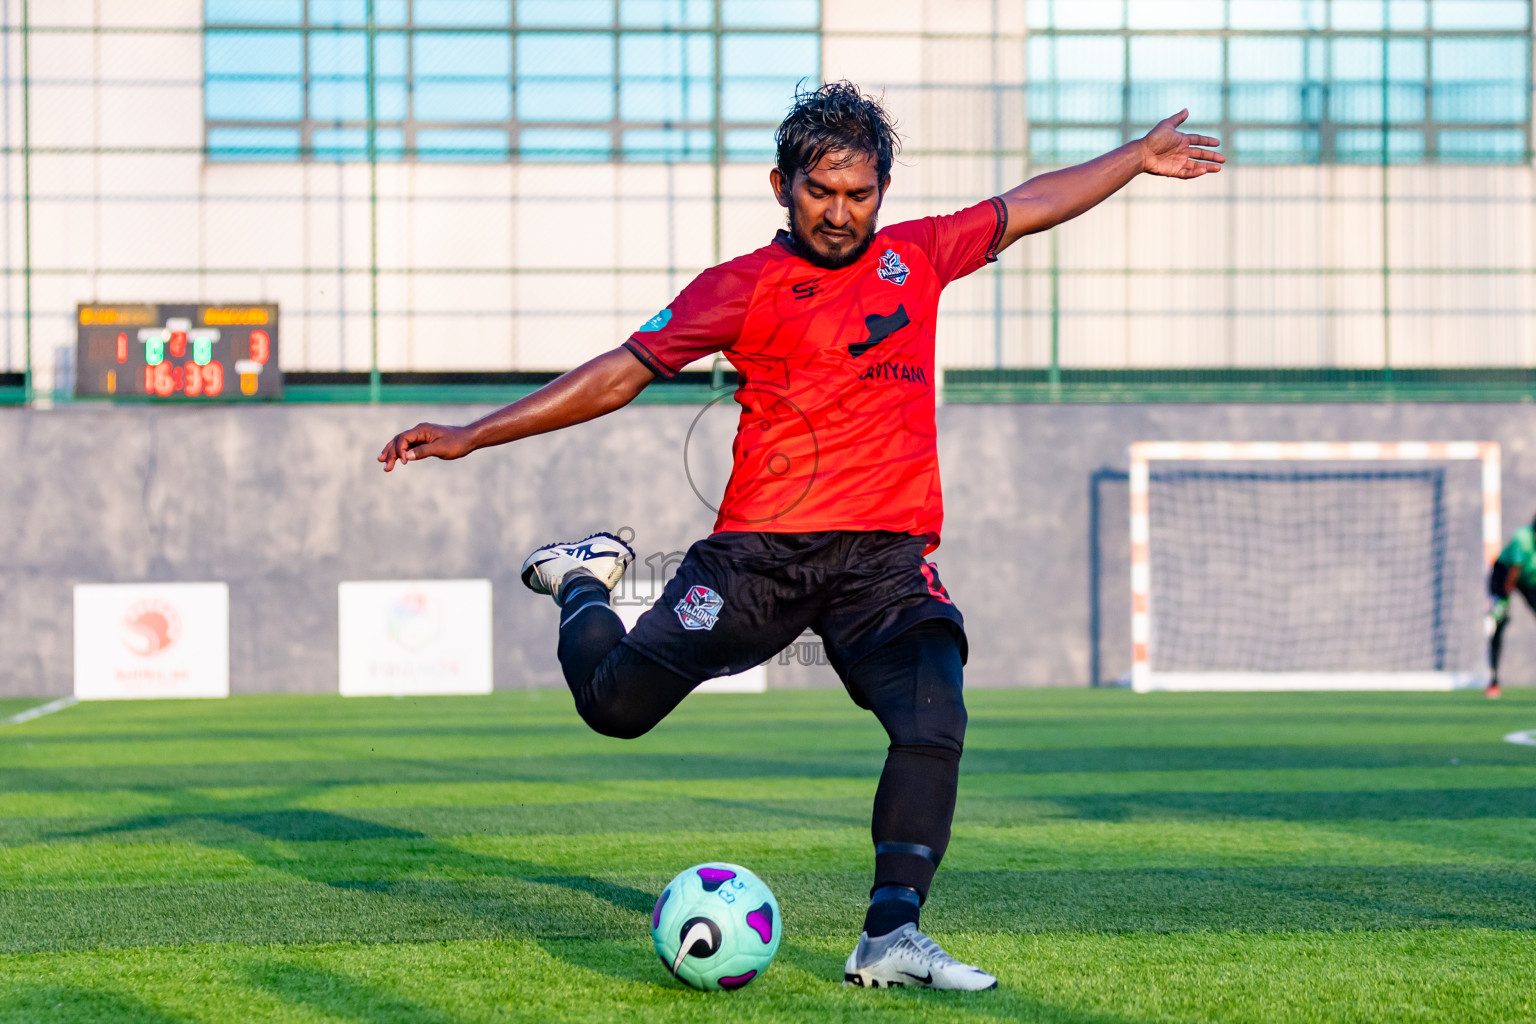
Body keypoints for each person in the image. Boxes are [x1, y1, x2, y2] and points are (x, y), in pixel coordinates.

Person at [379, 82, 1223, 990]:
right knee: (615, 710)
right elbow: (617, 376)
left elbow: (1028, 207)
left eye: (859, 194)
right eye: (821, 191)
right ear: (780, 186)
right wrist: (473, 433)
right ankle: (583, 579)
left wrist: (1133, 160)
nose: (840, 211)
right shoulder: (738, 288)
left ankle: (890, 935)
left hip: (883, 564)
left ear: (883, 191)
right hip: (759, 560)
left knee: (934, 710)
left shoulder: (920, 255)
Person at [1486, 515, 1536, 699]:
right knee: (1500, 621)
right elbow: (1513, 574)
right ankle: (1493, 679)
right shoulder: (1523, 538)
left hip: (1529, 579)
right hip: (1504, 575)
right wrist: (1504, 601)